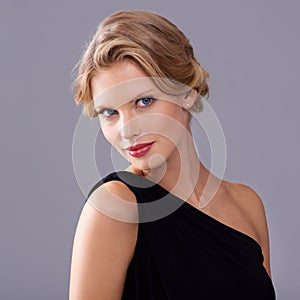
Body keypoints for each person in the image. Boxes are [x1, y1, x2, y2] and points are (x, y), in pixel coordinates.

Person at [69, 10, 276, 299]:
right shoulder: (114, 207)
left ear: (187, 92)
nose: (128, 131)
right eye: (110, 113)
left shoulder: (247, 204)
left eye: (144, 101)